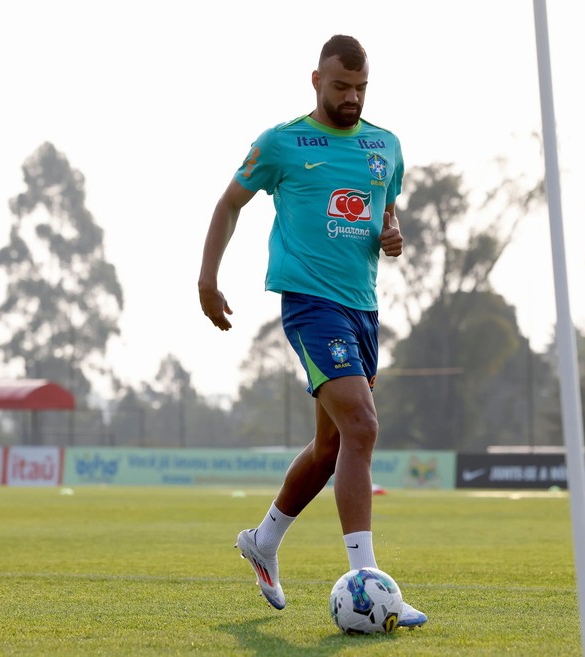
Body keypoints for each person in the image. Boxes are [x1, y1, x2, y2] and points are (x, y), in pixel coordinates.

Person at [198, 35, 426, 627]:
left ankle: (263, 540)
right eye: (340, 87)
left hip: (363, 309)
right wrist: (207, 278)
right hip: (310, 305)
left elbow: (386, 208)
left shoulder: (385, 145)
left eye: (361, 89)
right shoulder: (282, 143)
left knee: (331, 448)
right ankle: (370, 584)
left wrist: (391, 233)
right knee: (362, 424)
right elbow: (229, 204)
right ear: (316, 80)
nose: (351, 98)